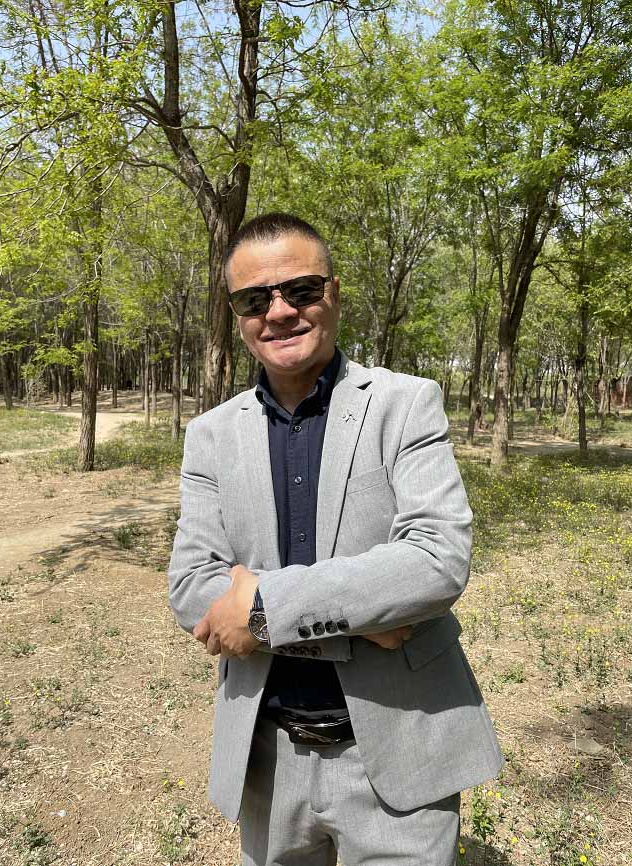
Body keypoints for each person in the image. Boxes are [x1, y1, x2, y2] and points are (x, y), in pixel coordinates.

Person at [168, 213, 503, 866]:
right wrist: (363, 618)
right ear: (236, 315)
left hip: (400, 752)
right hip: (266, 759)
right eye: (254, 299)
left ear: (335, 293)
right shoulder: (209, 436)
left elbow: (437, 559)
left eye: (301, 290)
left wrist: (261, 609)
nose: (279, 311)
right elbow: (191, 587)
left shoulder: (407, 404)